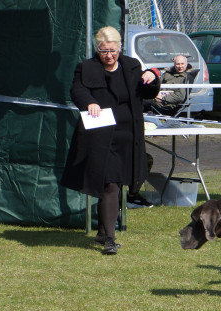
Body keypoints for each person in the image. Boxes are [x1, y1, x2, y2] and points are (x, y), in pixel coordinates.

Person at [59, 26, 160, 255]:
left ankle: (103, 233)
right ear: (98, 49)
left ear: (120, 47)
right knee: (110, 184)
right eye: (104, 51)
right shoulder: (86, 68)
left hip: (128, 136)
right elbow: (77, 90)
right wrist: (89, 103)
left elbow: (148, 93)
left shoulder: (132, 66)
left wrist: (152, 77)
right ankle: (110, 240)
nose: (109, 55)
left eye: (113, 50)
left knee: (118, 183)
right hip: (101, 136)